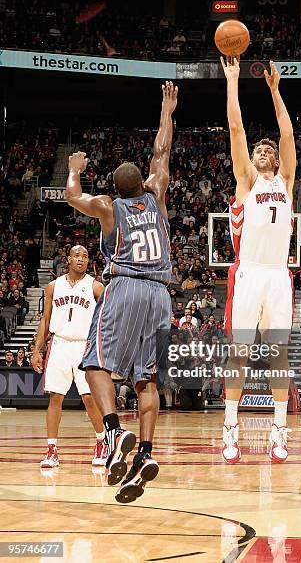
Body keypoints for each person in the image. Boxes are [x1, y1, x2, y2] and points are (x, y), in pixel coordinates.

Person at [66, 81, 177, 503]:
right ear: (143, 184)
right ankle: (145, 453)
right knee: (147, 379)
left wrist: (75, 167)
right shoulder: (157, 197)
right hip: (160, 296)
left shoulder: (109, 208)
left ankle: (113, 431)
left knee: (93, 365)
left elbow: (73, 196)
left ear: (115, 186)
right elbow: (161, 152)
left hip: (127, 287)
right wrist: (167, 110)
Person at [220, 57, 296, 464]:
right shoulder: (246, 181)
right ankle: (230, 425)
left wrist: (274, 90)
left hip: (278, 275)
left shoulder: (286, 181)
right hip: (249, 272)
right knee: (242, 353)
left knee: (279, 353)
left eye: (268, 149)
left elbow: (286, 131)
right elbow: (236, 127)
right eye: (259, 149)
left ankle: (279, 428)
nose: (264, 150)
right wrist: (233, 82)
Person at [31, 246, 107, 469]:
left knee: (89, 398)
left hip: (85, 345)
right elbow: (46, 320)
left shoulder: (96, 286)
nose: (81, 259)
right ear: (68, 259)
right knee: (55, 397)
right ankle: (52, 450)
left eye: (85, 256)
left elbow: (105, 320)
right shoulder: (53, 287)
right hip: (59, 343)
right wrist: (37, 349)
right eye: (77, 255)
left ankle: (101, 441)